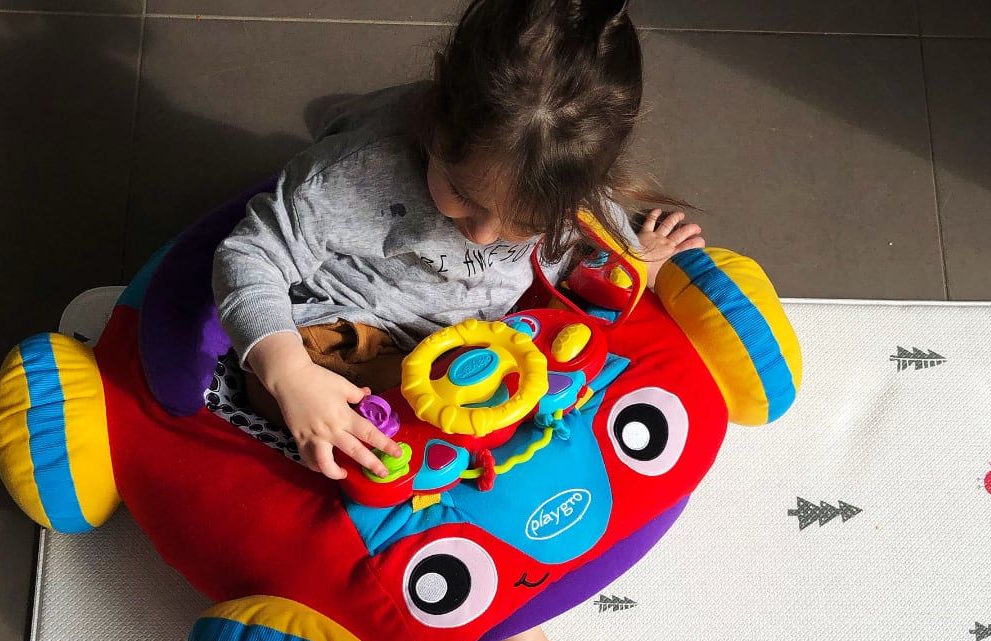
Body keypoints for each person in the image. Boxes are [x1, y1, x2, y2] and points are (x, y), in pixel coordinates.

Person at [212, 0, 704, 484]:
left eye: (527, 221)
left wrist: (638, 257)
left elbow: (597, 223)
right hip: (351, 324)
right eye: (463, 195)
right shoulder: (359, 173)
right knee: (326, 416)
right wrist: (289, 373)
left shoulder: (571, 179)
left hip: (477, 340)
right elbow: (249, 254)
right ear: (438, 112)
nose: (483, 235)